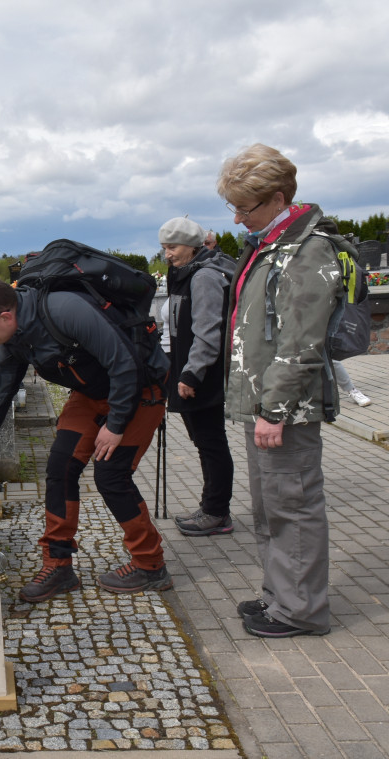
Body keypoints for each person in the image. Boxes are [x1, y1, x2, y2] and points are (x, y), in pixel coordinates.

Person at [0, 275, 171, 600]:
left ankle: (151, 566)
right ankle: (59, 566)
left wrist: (115, 424)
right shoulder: (11, 341)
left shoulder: (66, 310)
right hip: (92, 393)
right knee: (60, 467)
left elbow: (124, 365)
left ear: (5, 316)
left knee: (111, 475)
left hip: (140, 389)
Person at [218, 143, 342, 637]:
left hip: (283, 406)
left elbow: (301, 342)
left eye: (243, 209)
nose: (235, 220)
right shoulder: (272, 244)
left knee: (293, 504)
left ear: (277, 198)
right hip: (262, 401)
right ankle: (279, 594)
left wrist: (275, 409)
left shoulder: (308, 249)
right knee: (270, 505)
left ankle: (300, 610)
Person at [159, 217, 237, 537]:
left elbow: (207, 332)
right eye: (163, 247)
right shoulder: (185, 272)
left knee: (211, 443)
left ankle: (217, 512)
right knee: (206, 442)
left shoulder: (204, 276)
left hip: (201, 373)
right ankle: (213, 507)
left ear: (192, 245)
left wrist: (191, 374)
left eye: (172, 247)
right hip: (186, 368)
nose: (167, 254)